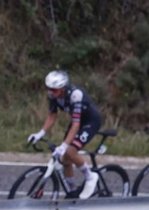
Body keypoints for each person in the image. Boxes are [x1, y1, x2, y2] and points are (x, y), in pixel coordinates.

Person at [29, 71, 103, 199]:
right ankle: (72, 193)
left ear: (63, 88)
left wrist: (64, 146)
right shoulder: (53, 95)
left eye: (54, 90)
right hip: (78, 122)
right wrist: (40, 134)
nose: (50, 92)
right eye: (48, 89)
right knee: (65, 160)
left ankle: (90, 176)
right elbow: (52, 116)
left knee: (70, 151)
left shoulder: (75, 95)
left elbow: (76, 124)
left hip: (91, 122)